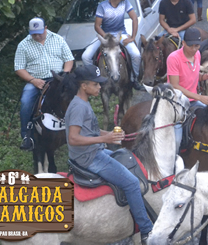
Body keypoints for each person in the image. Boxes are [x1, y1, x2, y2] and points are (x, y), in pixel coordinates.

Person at [65, 65, 154, 243]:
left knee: (124, 155)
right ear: (84, 86)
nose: (100, 87)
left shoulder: (82, 103)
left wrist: (110, 134)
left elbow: (89, 130)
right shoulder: (78, 107)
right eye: (96, 84)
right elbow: (73, 138)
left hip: (93, 152)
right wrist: (104, 139)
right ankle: (146, 230)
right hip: (89, 158)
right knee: (132, 183)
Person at [14, 17, 74, 150]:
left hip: (58, 78)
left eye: (39, 33)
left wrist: (64, 75)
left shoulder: (58, 39)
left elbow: (69, 59)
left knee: (76, 94)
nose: (37, 36)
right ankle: (27, 135)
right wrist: (33, 80)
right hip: (36, 80)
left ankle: (84, 126)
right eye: (34, 34)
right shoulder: (23, 45)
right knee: (26, 101)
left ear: (45, 28)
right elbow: (19, 68)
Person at [82, 0, 142, 83]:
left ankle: (134, 79)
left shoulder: (125, 2)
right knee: (86, 56)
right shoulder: (102, 6)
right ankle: (94, 79)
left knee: (136, 55)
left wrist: (132, 37)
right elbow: (97, 26)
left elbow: (134, 18)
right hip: (105, 35)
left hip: (121, 35)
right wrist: (106, 37)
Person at [166, 26, 208, 149]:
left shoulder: (198, 54)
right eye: (190, 46)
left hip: (192, 100)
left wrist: (204, 77)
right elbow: (175, 85)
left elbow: (193, 75)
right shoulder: (173, 58)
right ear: (183, 43)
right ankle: (174, 157)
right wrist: (199, 97)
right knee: (177, 140)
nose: (194, 49)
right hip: (176, 102)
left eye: (196, 46)